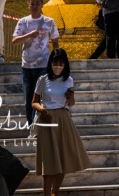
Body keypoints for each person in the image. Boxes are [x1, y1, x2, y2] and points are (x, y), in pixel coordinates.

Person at [32, 47, 90, 195]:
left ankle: (55, 193)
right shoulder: (43, 80)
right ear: (50, 63)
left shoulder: (69, 80)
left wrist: (71, 97)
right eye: (55, 63)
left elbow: (71, 104)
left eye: (61, 63)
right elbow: (34, 102)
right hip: (47, 119)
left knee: (64, 161)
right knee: (48, 165)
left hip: (64, 119)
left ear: (65, 64)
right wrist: (42, 110)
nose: (58, 66)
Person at [12, 0, 60, 125]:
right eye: (32, 4)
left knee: (41, 97)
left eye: (37, 4)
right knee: (28, 99)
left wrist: (56, 58)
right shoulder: (23, 22)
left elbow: (55, 41)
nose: (34, 6)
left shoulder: (49, 22)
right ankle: (31, 125)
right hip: (27, 65)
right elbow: (14, 40)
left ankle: (39, 124)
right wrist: (29, 35)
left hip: (43, 64)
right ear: (28, 5)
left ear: (41, 5)